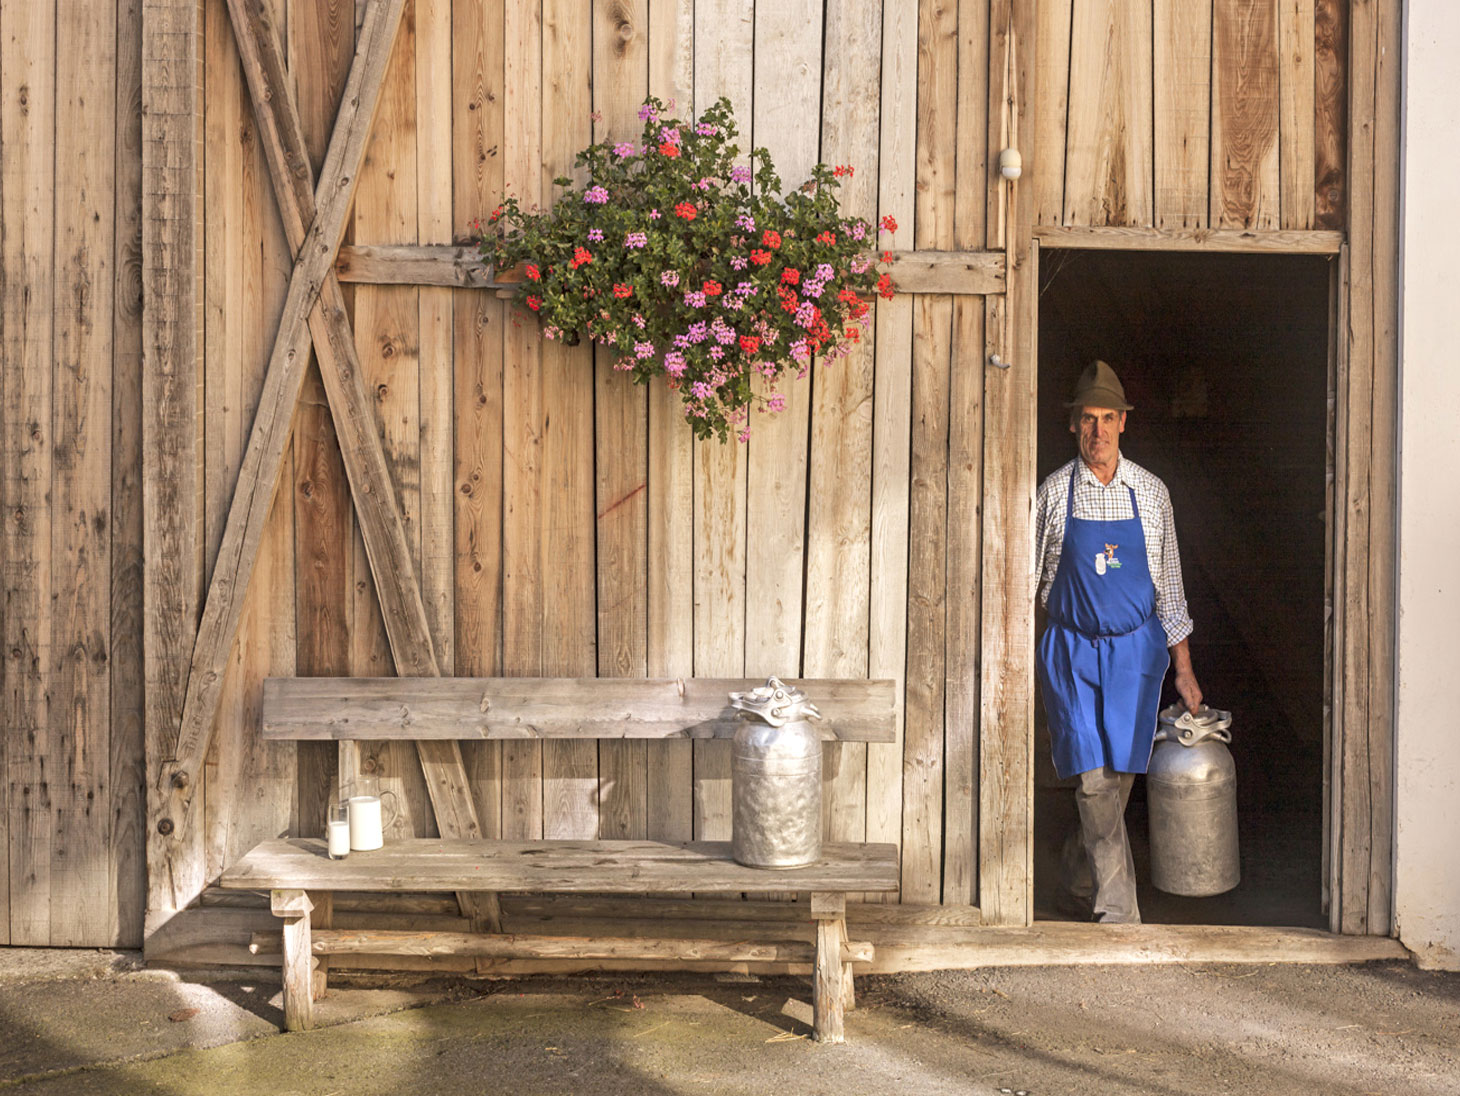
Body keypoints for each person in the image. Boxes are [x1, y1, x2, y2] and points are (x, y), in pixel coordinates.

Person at [1034, 360, 1202, 923]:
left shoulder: (1152, 495)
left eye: (1109, 418)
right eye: (1088, 419)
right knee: (1093, 779)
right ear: (1074, 425)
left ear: (1124, 424)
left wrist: (1184, 669)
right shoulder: (1053, 495)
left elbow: (1170, 590)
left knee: (1118, 780)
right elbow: (1022, 588)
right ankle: (1118, 912)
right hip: (1074, 651)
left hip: (1136, 654)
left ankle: (1077, 882)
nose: (1098, 431)